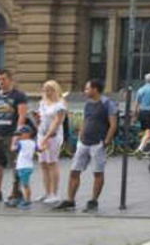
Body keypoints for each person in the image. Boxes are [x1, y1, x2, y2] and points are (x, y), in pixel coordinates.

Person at [55, 79, 118, 212]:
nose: (85, 91)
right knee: (74, 171)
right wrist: (79, 138)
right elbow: (85, 120)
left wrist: (106, 141)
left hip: (98, 143)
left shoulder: (107, 103)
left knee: (97, 172)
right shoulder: (88, 103)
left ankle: (93, 200)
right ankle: (70, 200)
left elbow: (113, 124)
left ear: (95, 89)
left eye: (87, 89)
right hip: (84, 142)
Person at [0, 67, 30, 204]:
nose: (1, 82)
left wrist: (17, 134)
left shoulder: (19, 96)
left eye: (3, 79)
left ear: (10, 80)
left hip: (11, 134)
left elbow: (22, 116)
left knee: (15, 164)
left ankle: (16, 191)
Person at [36, 80, 67, 203]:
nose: (47, 92)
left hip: (53, 136)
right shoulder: (42, 103)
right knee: (43, 163)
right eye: (45, 89)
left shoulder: (60, 105)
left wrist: (46, 137)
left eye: (49, 89)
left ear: (55, 90)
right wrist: (37, 119)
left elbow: (57, 122)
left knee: (52, 163)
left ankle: (55, 193)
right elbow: (41, 118)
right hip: (41, 134)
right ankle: (47, 192)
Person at [8, 124, 37, 209]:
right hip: (27, 165)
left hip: (23, 167)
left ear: (27, 134)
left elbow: (13, 149)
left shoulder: (21, 143)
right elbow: (39, 149)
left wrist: (14, 141)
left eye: (20, 134)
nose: (18, 136)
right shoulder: (32, 142)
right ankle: (19, 197)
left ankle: (27, 201)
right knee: (20, 182)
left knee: (25, 184)